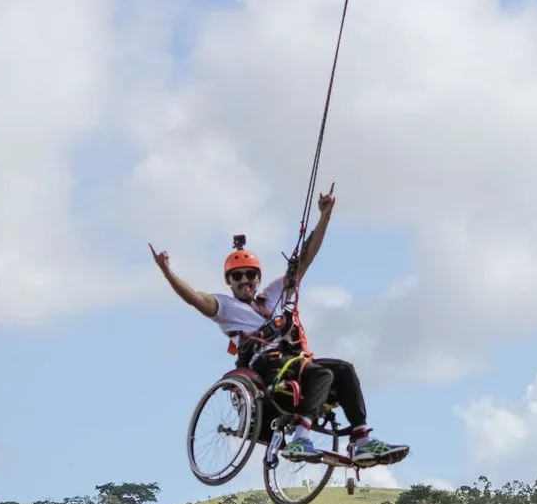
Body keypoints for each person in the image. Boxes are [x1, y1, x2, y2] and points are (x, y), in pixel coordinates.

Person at [148, 188, 409, 467]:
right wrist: (167, 273)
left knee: (344, 370)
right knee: (320, 374)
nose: (244, 280)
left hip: (292, 361)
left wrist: (325, 216)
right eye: (237, 277)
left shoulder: (274, 294)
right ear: (230, 281)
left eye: (250, 275)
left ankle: (360, 440)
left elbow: (305, 259)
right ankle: (300, 436)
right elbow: (195, 298)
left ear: (258, 277)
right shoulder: (226, 307)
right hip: (265, 365)